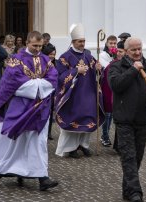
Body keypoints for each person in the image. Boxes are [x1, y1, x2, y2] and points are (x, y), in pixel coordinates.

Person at [0, 31, 59, 191]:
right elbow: (12, 82)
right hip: (20, 107)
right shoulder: (16, 60)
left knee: (38, 143)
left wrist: (38, 84)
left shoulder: (46, 60)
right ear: (27, 43)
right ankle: (14, 170)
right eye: (35, 45)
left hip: (40, 109)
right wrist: (39, 84)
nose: (38, 49)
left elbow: (53, 79)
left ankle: (43, 178)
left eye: (40, 46)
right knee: (17, 141)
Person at [108, 37, 146, 202]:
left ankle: (128, 191)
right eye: (134, 50)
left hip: (143, 118)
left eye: (139, 49)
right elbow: (116, 85)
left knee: (137, 157)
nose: (138, 52)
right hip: (124, 119)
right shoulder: (116, 67)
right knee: (129, 156)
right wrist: (133, 70)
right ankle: (135, 193)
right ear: (125, 51)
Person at [55, 23, 104, 158]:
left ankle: (83, 145)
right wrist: (76, 71)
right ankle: (70, 148)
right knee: (73, 120)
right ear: (73, 42)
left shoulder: (88, 55)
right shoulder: (65, 57)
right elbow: (60, 77)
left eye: (83, 41)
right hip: (73, 96)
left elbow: (97, 74)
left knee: (87, 120)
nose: (82, 44)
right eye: (79, 41)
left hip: (89, 94)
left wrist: (99, 69)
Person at [99, 35, 118, 146]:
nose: (113, 45)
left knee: (113, 113)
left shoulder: (116, 55)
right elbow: (108, 68)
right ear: (106, 43)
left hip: (115, 86)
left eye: (114, 43)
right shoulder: (103, 55)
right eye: (111, 43)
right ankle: (104, 136)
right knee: (107, 114)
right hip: (106, 86)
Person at [42, 43, 57, 140]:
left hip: (53, 92)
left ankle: (49, 132)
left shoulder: (57, 63)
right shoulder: (41, 63)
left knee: (51, 113)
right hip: (44, 92)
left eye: (54, 54)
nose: (52, 56)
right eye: (50, 54)